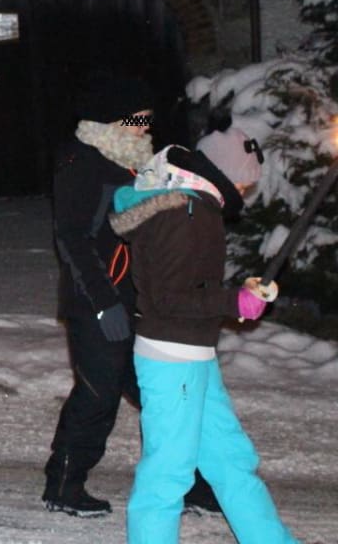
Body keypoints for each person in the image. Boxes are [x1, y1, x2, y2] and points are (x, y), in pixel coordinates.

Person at [109, 128, 300, 543]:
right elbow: (170, 298)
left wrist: (239, 294)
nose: (248, 187)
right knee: (168, 474)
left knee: (231, 459)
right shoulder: (185, 213)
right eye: (246, 178)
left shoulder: (195, 207)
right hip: (171, 357)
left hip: (194, 353)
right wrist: (234, 302)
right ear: (227, 173)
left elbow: (190, 284)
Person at [42, 72, 157, 517]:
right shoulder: (83, 159)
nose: (147, 127)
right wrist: (103, 299)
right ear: (115, 118)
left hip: (139, 300)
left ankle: (185, 479)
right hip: (97, 301)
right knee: (98, 393)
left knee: (158, 392)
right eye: (140, 119)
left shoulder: (134, 160)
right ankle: (64, 483)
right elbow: (71, 236)